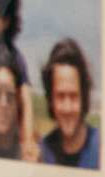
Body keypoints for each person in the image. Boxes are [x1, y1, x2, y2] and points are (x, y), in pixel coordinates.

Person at [35, 39, 98, 169]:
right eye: (60, 96)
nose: (67, 108)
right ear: (50, 100)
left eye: (73, 96)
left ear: (84, 97)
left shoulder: (104, 150)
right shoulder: (41, 154)